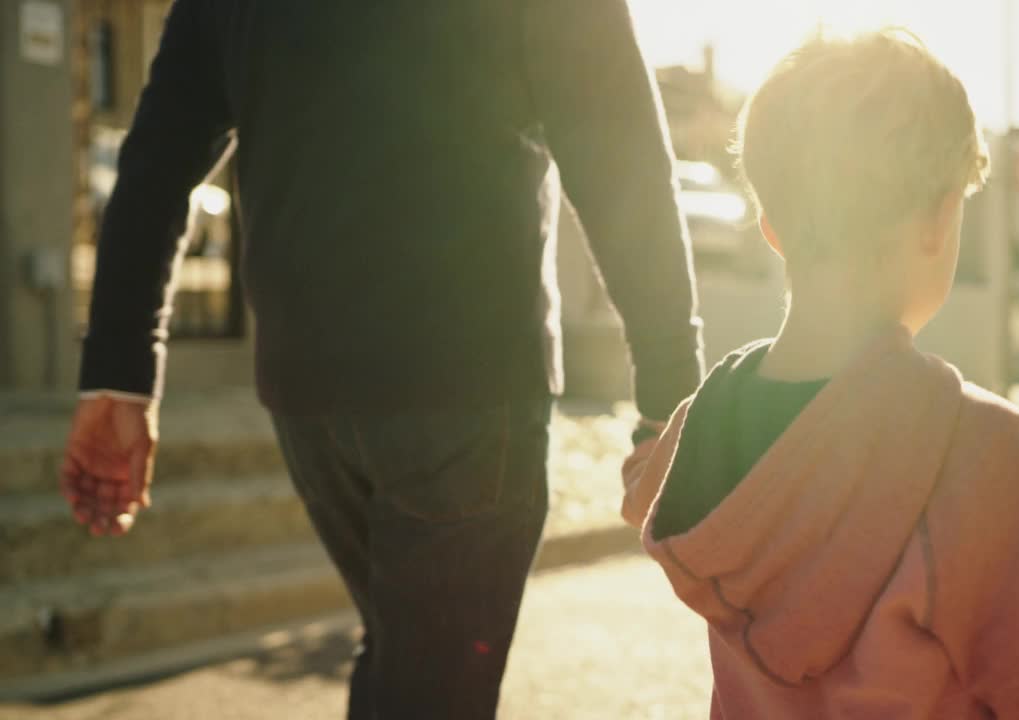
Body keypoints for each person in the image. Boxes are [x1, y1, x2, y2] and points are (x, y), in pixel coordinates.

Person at [60, 1, 703, 717]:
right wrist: (672, 387)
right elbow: (623, 158)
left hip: (311, 398)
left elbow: (153, 165)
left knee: (404, 659)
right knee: (430, 685)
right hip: (466, 388)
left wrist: (118, 379)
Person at [621, 30, 1019, 719]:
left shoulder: (703, 428)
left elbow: (643, 487)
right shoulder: (982, 454)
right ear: (942, 220)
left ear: (771, 228)